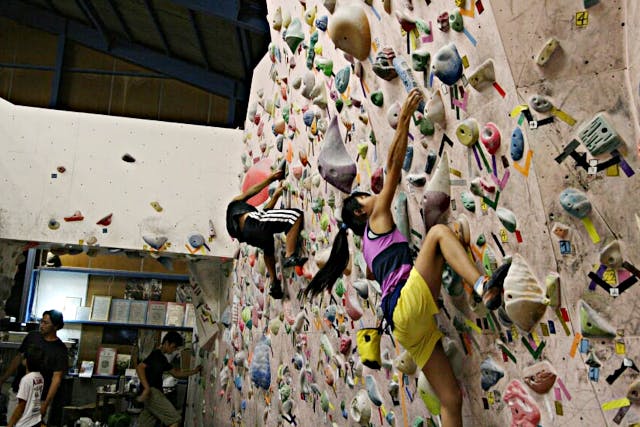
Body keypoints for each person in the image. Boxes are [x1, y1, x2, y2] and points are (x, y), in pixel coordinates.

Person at [304, 89, 510, 427]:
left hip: (404, 327)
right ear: (360, 209)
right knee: (437, 235)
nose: (372, 196)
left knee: (450, 399)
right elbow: (393, 168)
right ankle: (484, 284)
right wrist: (405, 121)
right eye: (365, 197)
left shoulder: (368, 249)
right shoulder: (377, 217)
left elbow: (377, 274)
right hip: (405, 304)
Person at [226, 167, 307, 299]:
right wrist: (270, 179)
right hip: (252, 224)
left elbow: (265, 216)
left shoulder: (235, 218)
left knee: (268, 249)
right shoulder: (235, 204)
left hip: (249, 235)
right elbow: (251, 192)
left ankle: (275, 283)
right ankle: (290, 255)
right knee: (295, 216)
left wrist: (275, 196)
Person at [0, 310, 68, 426]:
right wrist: (3, 378)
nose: (42, 325)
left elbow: (56, 379)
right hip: (18, 390)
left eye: (46, 323)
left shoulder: (60, 349)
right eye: (41, 321)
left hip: (39, 397)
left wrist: (46, 404)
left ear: (56, 326)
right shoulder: (32, 337)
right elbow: (18, 358)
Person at [136, 331, 202, 427]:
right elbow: (140, 367)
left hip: (152, 394)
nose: (174, 350)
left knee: (146, 424)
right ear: (166, 343)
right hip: (153, 393)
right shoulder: (156, 355)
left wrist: (194, 371)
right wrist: (146, 387)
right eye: (173, 347)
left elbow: (176, 373)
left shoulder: (162, 359)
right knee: (175, 420)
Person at [7, 347, 44, 427]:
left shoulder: (26, 380)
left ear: (27, 360)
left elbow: (21, 406)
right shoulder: (40, 377)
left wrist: (10, 424)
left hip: (25, 423)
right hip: (35, 420)